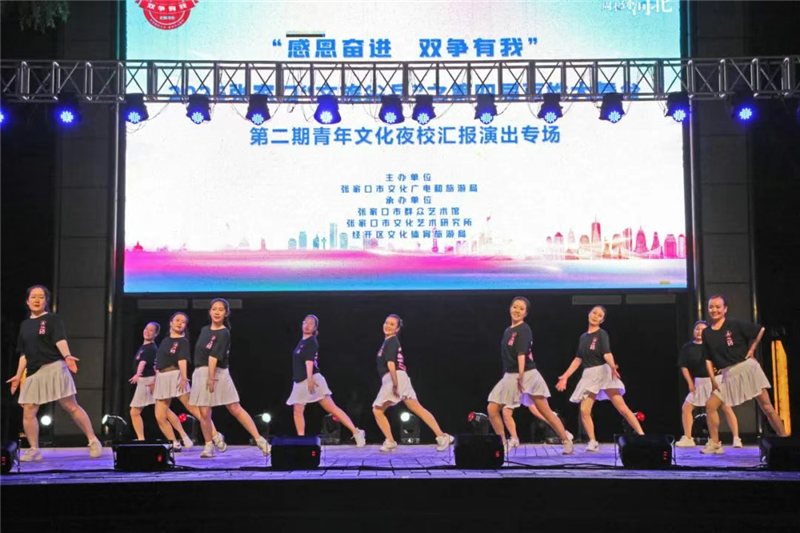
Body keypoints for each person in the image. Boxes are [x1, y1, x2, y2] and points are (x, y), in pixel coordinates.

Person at [6, 286, 103, 461]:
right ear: (27, 301)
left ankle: (93, 440)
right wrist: (18, 375)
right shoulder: (25, 325)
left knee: (70, 406)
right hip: (33, 372)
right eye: (33, 297)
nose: (37, 300)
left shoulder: (52, 319)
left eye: (41, 297)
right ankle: (34, 449)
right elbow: (24, 354)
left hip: (54, 366)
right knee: (28, 410)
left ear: (46, 301)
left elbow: (60, 339)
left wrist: (67, 356)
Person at [701, 295, 788, 454]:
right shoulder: (707, 333)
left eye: (718, 307)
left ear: (725, 309)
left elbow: (760, 330)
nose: (714, 310)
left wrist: (752, 350)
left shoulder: (734, 324)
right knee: (710, 405)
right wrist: (713, 380)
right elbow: (708, 358)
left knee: (767, 407)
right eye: (711, 307)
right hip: (728, 375)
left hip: (746, 369)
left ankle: (784, 441)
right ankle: (715, 443)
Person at [487, 297, 573, 454]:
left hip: (526, 374)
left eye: (521, 309)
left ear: (525, 313)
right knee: (492, 409)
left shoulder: (524, 329)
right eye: (515, 307)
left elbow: (522, 353)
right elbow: (507, 357)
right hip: (510, 375)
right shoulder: (507, 331)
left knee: (545, 411)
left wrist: (521, 375)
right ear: (510, 308)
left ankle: (566, 439)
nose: (517, 310)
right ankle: (502, 442)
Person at [189, 299, 270, 458]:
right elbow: (200, 353)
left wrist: (211, 377)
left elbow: (213, 357)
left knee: (234, 407)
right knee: (204, 412)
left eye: (221, 309)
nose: (217, 312)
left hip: (217, 373)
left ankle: (260, 440)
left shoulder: (224, 332)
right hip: (200, 372)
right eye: (214, 309)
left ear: (226, 313)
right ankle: (209, 446)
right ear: (209, 311)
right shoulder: (204, 330)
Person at [555, 305, 644, 451]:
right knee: (584, 410)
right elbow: (578, 359)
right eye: (594, 313)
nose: (596, 316)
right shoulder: (583, 337)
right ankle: (592, 440)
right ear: (589, 314)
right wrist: (565, 376)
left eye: (599, 315)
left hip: (603, 372)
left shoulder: (602, 334)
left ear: (602, 320)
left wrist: (613, 367)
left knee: (622, 408)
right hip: (589, 375)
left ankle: (641, 435)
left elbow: (607, 353)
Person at [372, 314, 454, 453]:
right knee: (417, 408)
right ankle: (442, 436)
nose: (388, 326)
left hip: (394, 377)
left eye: (392, 324)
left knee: (377, 410)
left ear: (397, 329)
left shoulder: (391, 341)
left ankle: (390, 441)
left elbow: (391, 364)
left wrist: (395, 384)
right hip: (397, 377)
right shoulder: (388, 342)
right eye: (386, 322)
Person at [285, 315, 366, 447]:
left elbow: (309, 362)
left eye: (311, 324)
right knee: (297, 411)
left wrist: (310, 379)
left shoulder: (311, 342)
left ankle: (356, 432)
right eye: (306, 322)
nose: (307, 325)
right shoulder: (302, 342)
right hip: (299, 381)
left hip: (312, 379)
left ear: (315, 328)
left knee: (331, 408)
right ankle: (301, 440)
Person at [153, 311, 226, 454]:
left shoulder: (182, 341)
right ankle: (174, 442)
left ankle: (215, 435)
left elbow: (182, 360)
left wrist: (184, 377)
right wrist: (156, 379)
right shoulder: (165, 341)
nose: (180, 323)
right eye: (177, 320)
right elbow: (159, 362)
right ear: (171, 323)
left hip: (176, 375)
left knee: (194, 409)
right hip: (162, 378)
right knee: (160, 415)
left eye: (183, 322)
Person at [675, 320, 741, 448]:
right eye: (697, 329)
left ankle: (736, 438)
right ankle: (688, 438)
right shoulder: (688, 348)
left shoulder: (713, 345)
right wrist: (690, 383)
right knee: (686, 408)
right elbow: (684, 366)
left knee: (726, 407)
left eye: (703, 329)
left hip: (716, 381)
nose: (699, 331)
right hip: (699, 382)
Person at [128, 321, 193, 448]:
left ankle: (144, 440)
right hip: (145, 382)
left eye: (151, 330)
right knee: (163, 412)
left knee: (136, 411)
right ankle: (180, 438)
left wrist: (139, 375)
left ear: (156, 334)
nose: (147, 332)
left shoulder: (151, 348)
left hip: (148, 381)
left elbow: (145, 364)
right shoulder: (144, 347)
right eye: (146, 329)